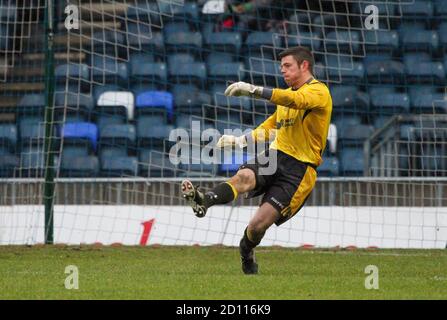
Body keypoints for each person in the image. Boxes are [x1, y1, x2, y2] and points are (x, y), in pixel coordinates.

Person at [181, 46, 333, 275]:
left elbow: (296, 100)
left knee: (258, 225)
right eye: (281, 66)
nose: (282, 70)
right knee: (243, 177)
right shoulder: (287, 96)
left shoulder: (318, 92)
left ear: (304, 66)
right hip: (276, 155)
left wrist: (254, 90)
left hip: (300, 170)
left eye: (287, 65)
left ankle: (246, 251)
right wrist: (239, 141)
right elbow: (271, 127)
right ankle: (205, 200)